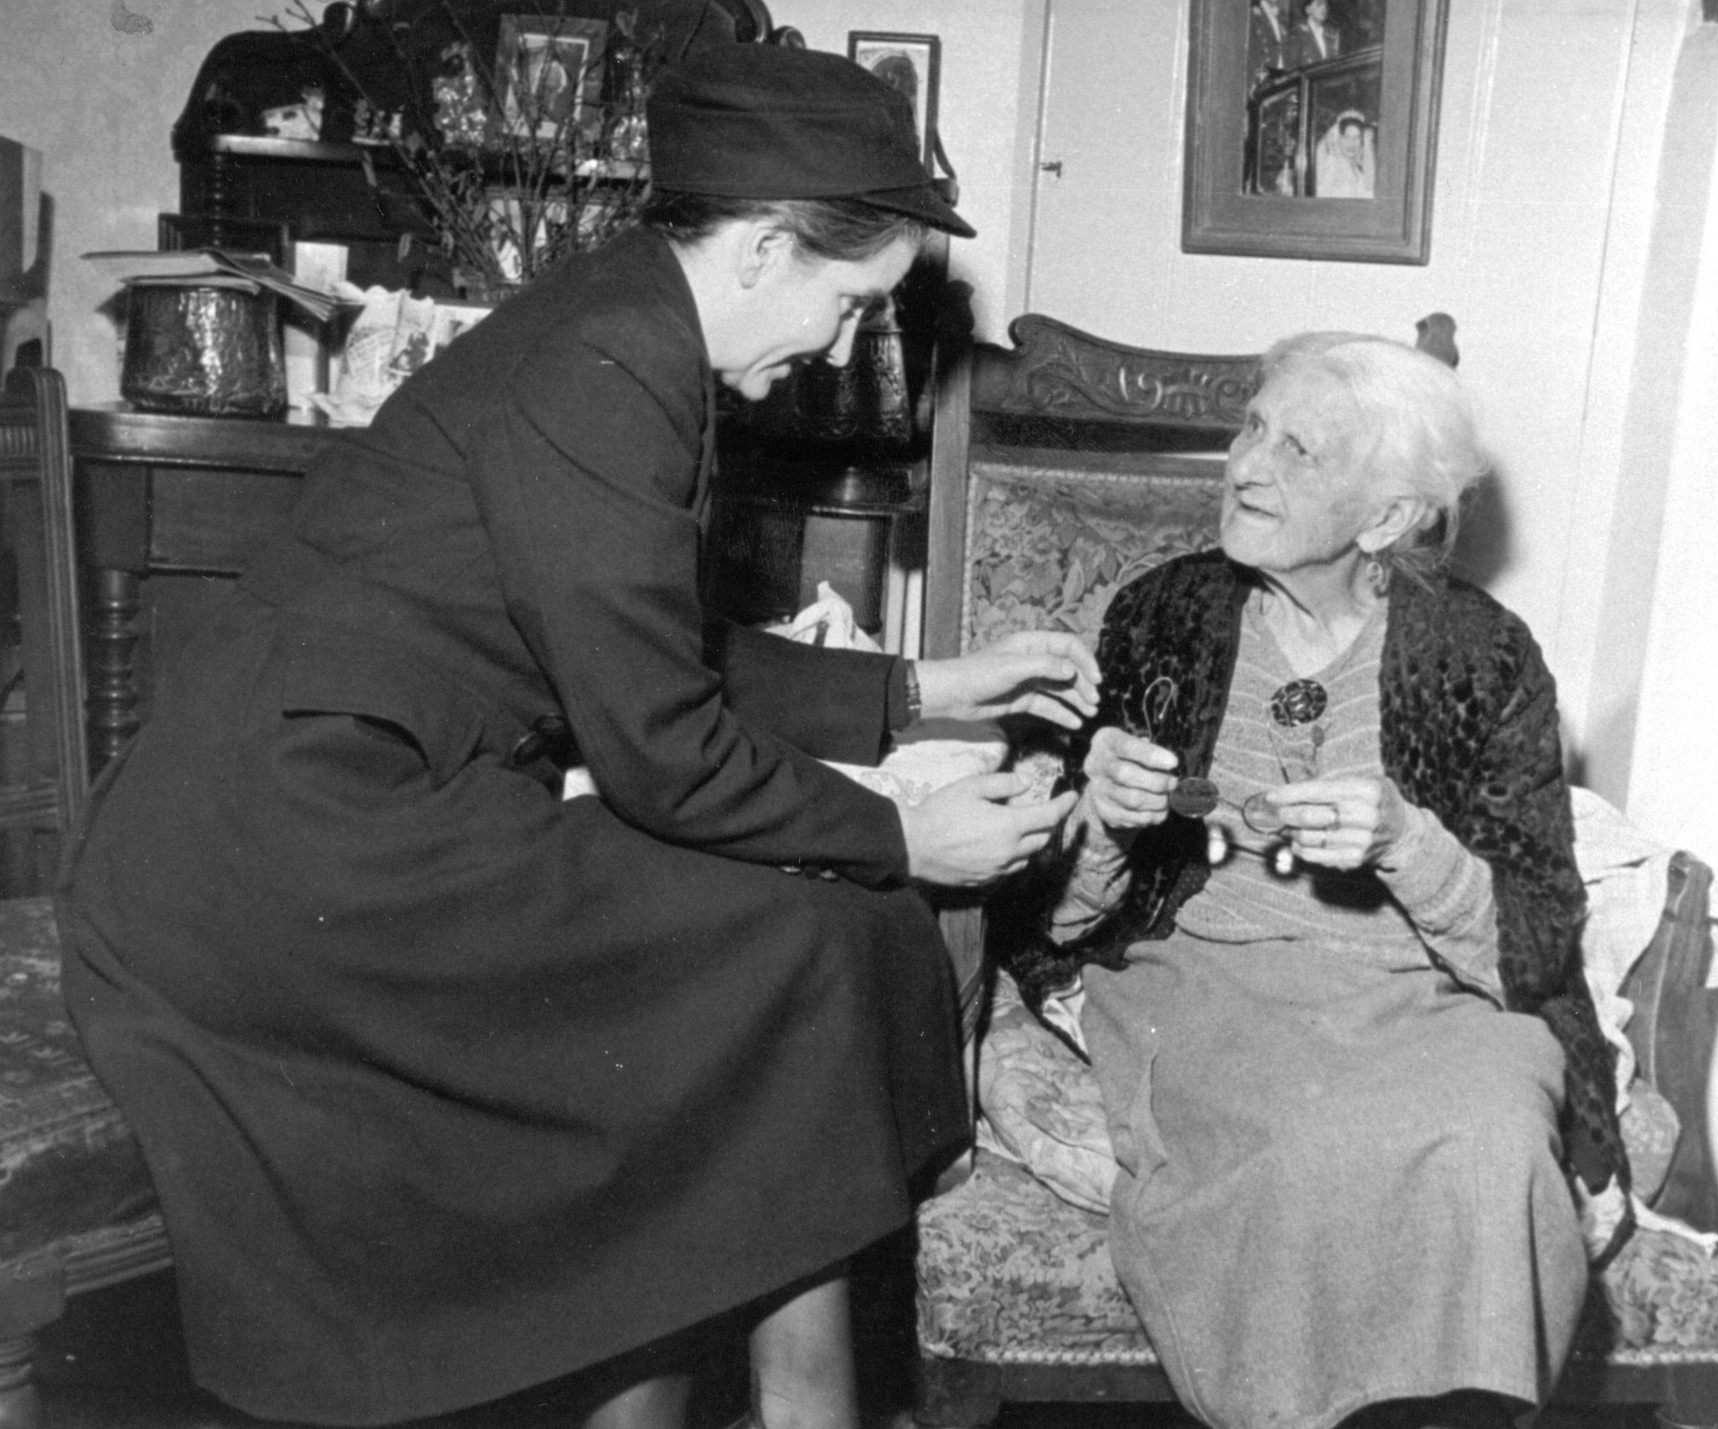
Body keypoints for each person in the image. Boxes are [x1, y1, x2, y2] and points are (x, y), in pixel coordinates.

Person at [60, 43, 1098, 1429]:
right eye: (851, 304)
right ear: (767, 246)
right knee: (820, 941)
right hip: (301, 855)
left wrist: (921, 690)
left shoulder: (623, 325)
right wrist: (907, 828)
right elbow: (658, 748)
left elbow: (637, 640)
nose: (841, 351)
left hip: (319, 815)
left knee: (816, 946)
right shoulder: (613, 366)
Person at [991, 333, 1632, 1429]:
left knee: (1491, 1136)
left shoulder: (1480, 656)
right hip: (1208, 975)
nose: (1245, 465)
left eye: (1298, 450)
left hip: (1425, 992)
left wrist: (1404, 841)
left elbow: (1532, 942)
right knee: (1303, 1132)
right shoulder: (1163, 618)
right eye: (1251, 427)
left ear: (1384, 519)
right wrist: (1097, 817)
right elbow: (1060, 922)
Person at [1314, 109, 1375, 198]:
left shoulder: (1359, 174)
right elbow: (1320, 149)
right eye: (1347, 137)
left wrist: (1368, 143)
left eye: (1356, 137)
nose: (1352, 143)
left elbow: (1369, 187)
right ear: (1338, 138)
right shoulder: (1330, 163)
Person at [1291, 0, 1341, 67]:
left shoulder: (1328, 37)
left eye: (1325, 5)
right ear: (1308, 9)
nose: (1324, 8)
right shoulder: (1298, 33)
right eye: (1319, 4)